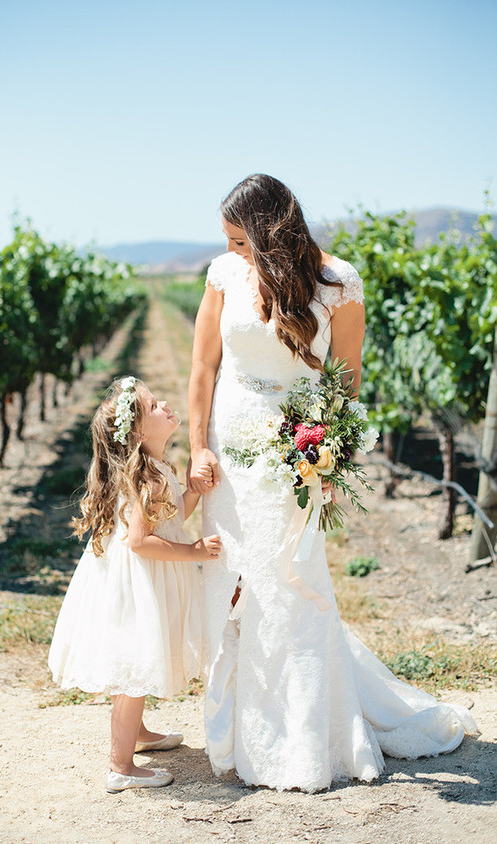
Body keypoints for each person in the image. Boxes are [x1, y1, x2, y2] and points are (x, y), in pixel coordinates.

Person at [187, 173, 477, 792]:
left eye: (241, 241)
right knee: (233, 586)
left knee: (293, 584)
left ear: (271, 234)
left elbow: (346, 383)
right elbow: (204, 365)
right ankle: (239, 728)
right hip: (229, 454)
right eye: (229, 241)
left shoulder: (338, 282)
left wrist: (328, 458)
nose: (233, 252)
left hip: (294, 455)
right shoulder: (223, 275)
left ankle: (299, 738)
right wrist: (196, 448)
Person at [49, 376, 221, 792]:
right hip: (137, 582)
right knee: (134, 669)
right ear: (140, 432)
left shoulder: (156, 468)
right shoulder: (146, 478)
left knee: (134, 660)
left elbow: (170, 516)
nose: (165, 404)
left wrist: (194, 492)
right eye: (153, 406)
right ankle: (120, 767)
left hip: (139, 577)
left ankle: (138, 733)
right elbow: (141, 542)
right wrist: (195, 551)